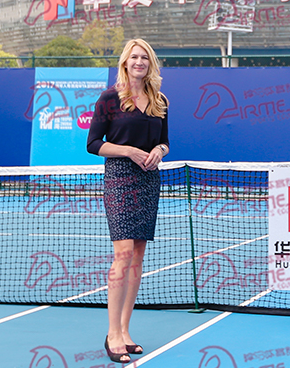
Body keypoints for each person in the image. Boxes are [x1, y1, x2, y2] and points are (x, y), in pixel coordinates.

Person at [86, 38, 170, 365]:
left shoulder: (160, 100)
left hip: (149, 179)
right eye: (134, 57)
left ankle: (125, 330)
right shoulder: (109, 98)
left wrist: (158, 151)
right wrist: (129, 151)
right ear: (125, 62)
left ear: (150, 63)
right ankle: (112, 334)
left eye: (144, 57)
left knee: (137, 255)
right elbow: (94, 143)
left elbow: (165, 142)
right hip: (120, 178)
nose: (139, 62)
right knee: (122, 253)